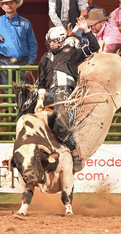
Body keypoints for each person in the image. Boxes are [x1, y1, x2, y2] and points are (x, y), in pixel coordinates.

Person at [35, 16, 99, 172]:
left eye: (53, 41)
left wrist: (86, 30)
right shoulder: (45, 58)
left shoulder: (72, 53)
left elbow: (94, 47)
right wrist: (39, 100)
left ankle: (73, 149)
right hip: (48, 92)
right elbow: (42, 82)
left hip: (64, 91)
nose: (51, 44)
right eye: (49, 42)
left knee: (59, 116)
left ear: (61, 40)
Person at [0, 0, 38, 99]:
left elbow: (33, 44)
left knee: (24, 91)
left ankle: (23, 114)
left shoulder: (25, 23)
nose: (8, 5)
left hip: (22, 62)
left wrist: (30, 63)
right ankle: (7, 114)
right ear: (2, 7)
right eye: (5, 4)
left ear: (16, 5)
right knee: (6, 91)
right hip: (5, 61)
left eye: (11, 3)